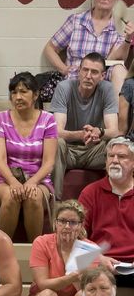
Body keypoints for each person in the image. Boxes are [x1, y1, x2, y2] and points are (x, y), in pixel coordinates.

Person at [0, 71, 57, 239]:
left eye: (23, 91)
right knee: (11, 196)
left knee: (33, 197)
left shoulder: (48, 119)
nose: (18, 97)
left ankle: (35, 252)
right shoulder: (0, 118)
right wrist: (13, 183)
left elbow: (49, 163)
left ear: (35, 95)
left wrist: (32, 182)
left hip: (39, 179)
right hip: (5, 179)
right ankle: (3, 251)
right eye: (14, 92)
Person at [44, 0, 129, 95]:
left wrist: (128, 39)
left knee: (120, 70)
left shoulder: (119, 25)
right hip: (76, 75)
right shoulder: (76, 21)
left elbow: (117, 58)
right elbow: (50, 48)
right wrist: (63, 69)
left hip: (103, 75)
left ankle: (118, 114)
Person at [50, 53, 121, 198]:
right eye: (85, 70)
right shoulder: (64, 88)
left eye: (94, 72)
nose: (88, 76)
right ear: (79, 71)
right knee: (56, 142)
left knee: (116, 144)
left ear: (102, 76)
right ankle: (55, 202)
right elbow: (56, 131)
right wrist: (80, 135)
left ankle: (114, 200)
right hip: (68, 152)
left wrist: (98, 132)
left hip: (93, 151)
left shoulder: (106, 89)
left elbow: (114, 131)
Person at [30, 199, 91, 296]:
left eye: (73, 222)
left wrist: (70, 256)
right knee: (49, 295)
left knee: (83, 295)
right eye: (62, 221)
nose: (67, 226)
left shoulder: (89, 248)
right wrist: (71, 277)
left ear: (81, 225)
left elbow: (86, 288)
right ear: (55, 223)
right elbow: (42, 284)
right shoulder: (42, 242)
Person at [79, 137, 134, 265]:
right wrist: (98, 258)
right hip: (100, 262)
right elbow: (78, 235)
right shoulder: (90, 192)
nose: (114, 161)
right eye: (110, 156)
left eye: (121, 156)